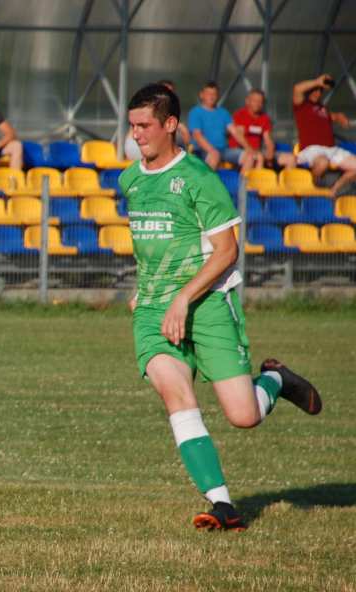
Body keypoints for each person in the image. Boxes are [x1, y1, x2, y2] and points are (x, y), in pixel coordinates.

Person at [120, 83, 322, 531]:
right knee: (177, 395)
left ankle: (275, 378)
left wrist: (183, 297)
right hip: (156, 311)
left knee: (244, 416)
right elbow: (151, 243)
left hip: (207, 304)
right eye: (132, 125)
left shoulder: (199, 179)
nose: (136, 134)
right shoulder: (130, 179)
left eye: (145, 126)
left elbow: (226, 251)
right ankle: (223, 504)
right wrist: (146, 289)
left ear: (170, 125)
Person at [293, 74, 356, 196]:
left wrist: (339, 117)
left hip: (331, 149)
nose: (317, 93)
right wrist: (317, 82)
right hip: (312, 149)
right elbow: (297, 88)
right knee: (323, 163)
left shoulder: (322, 108)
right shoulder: (302, 106)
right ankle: (310, 185)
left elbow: (331, 116)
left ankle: (334, 189)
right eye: (315, 90)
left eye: (320, 91)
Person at [187, 81, 256, 173]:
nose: (211, 96)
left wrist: (248, 148)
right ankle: (208, 186)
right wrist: (211, 150)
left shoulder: (223, 113)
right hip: (202, 150)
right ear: (201, 95)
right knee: (214, 156)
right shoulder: (195, 112)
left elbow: (235, 132)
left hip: (223, 150)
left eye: (214, 94)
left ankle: (242, 186)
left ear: (218, 96)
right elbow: (197, 135)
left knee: (250, 156)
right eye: (208, 94)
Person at [231, 88, 296, 170]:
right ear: (247, 101)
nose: (257, 104)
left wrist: (270, 152)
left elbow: (267, 139)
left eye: (260, 101)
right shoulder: (240, 115)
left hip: (258, 151)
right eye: (255, 101)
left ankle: (284, 182)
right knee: (258, 157)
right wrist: (251, 150)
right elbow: (239, 137)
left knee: (291, 159)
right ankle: (252, 182)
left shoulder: (264, 118)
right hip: (243, 151)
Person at [125, 79, 190, 161]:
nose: (135, 135)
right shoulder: (148, 113)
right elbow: (186, 140)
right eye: (164, 92)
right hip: (137, 151)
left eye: (170, 92)